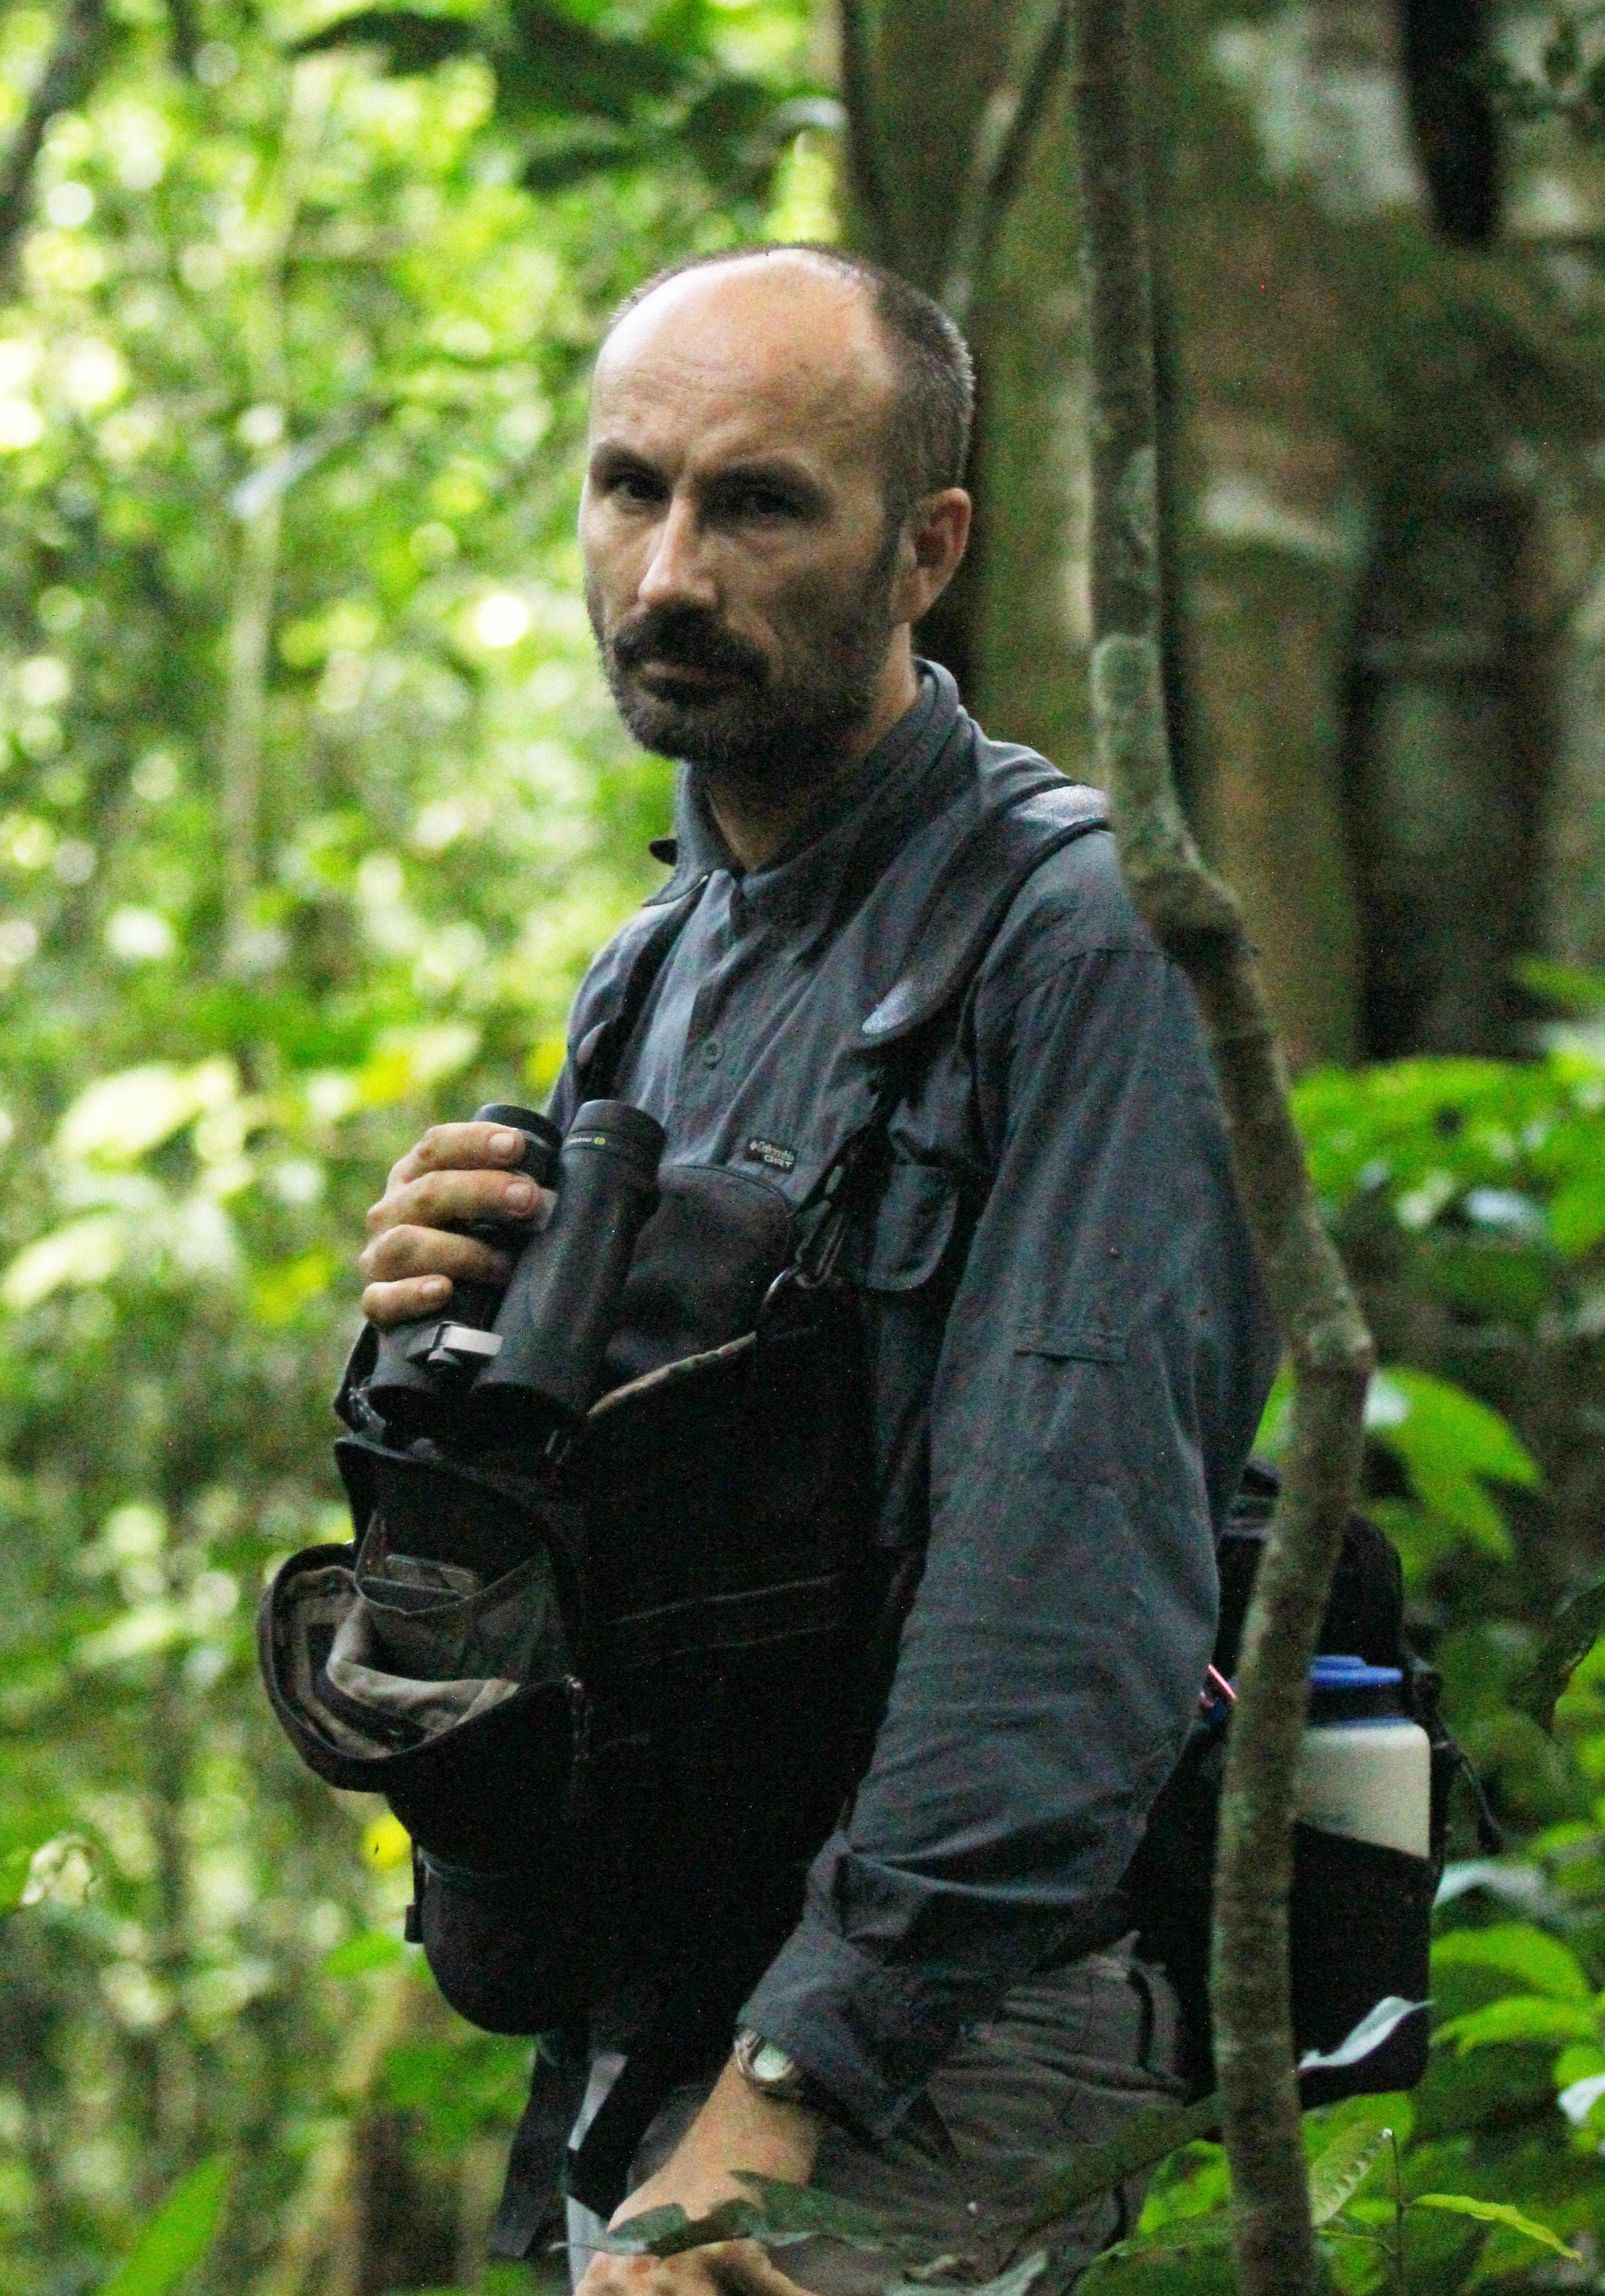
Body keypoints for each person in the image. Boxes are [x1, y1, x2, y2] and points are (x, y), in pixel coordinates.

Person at [340, 244, 1275, 2296]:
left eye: (758, 503)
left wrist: (780, 2098)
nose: (668, 571)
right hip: (667, 1998)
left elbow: (1071, 1581)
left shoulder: (1083, 948)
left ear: (926, 546)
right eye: (628, 488)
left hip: (928, 2051)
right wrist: (436, 1322)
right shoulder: (656, 963)